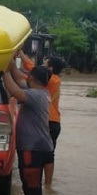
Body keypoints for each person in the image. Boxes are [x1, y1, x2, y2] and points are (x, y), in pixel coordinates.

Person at [4, 61, 54, 195]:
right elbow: (19, 79)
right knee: (34, 187)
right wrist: (11, 62)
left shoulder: (33, 95)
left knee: (32, 188)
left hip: (32, 148)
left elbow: (13, 89)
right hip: (43, 146)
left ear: (31, 78)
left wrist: (4, 71)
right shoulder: (43, 93)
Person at [19, 50, 64, 185]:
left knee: (42, 154)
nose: (42, 67)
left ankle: (42, 183)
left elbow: (32, 68)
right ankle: (48, 186)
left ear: (51, 68)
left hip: (47, 120)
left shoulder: (50, 79)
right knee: (49, 154)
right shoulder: (55, 80)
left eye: (45, 65)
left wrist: (20, 53)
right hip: (54, 121)